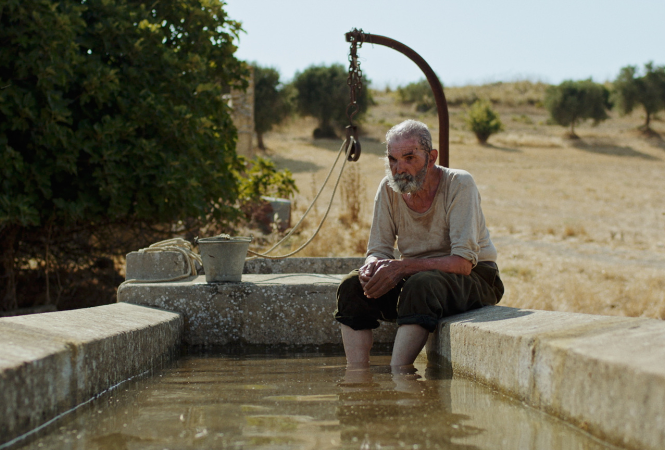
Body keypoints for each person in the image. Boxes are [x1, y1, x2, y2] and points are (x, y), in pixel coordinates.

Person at [335, 119, 504, 366]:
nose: (398, 168)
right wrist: (372, 267)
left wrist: (402, 267)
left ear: (431, 157)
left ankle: (400, 376)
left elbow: (464, 263)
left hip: (476, 277)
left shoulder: (459, 184)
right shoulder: (388, 189)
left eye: (409, 158)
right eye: (392, 160)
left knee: (421, 286)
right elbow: (378, 250)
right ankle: (357, 379)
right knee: (352, 286)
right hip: (420, 278)